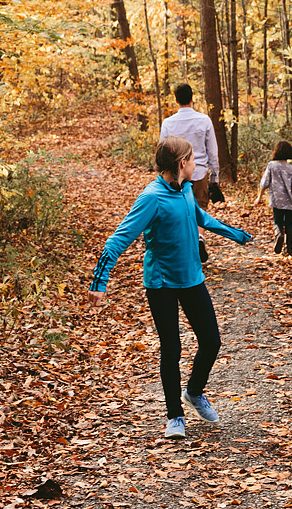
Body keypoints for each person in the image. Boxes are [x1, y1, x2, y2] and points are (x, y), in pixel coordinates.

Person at [88, 136, 253, 440]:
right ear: (181, 164)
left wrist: (234, 234)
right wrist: (100, 280)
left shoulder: (186, 189)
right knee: (172, 348)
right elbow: (119, 238)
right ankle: (175, 416)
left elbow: (199, 217)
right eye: (192, 159)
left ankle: (194, 392)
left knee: (212, 341)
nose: (195, 164)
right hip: (161, 284)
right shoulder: (151, 197)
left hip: (192, 278)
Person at [159, 83, 221, 261]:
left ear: (176, 100)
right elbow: (213, 151)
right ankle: (199, 237)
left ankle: (183, 248)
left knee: (179, 209)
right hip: (199, 171)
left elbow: (162, 151)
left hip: (176, 175)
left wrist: (164, 177)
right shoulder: (204, 120)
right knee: (200, 207)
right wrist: (214, 177)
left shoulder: (168, 123)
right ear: (192, 98)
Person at [252, 140, 292, 255]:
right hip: (291, 202)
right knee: (289, 223)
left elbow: (264, 182)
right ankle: (289, 249)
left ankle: (279, 234)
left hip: (277, 200)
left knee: (277, 222)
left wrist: (259, 197)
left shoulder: (272, 166)